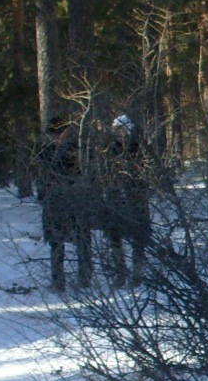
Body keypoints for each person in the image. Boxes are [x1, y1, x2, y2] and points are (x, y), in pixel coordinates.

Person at [37, 116, 94, 291]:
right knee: (56, 242)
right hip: (54, 203)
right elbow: (42, 177)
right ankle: (58, 280)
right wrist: (44, 195)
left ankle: (84, 278)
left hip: (75, 202)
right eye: (52, 135)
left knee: (82, 241)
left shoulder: (77, 150)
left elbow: (83, 175)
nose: (55, 138)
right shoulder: (46, 152)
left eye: (58, 134)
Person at [102, 114, 151, 287]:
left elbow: (145, 173)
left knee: (138, 236)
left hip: (135, 197)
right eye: (117, 130)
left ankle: (137, 272)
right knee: (114, 235)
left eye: (122, 130)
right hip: (115, 198)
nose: (119, 133)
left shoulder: (139, 149)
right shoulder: (109, 150)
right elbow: (104, 172)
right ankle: (120, 271)